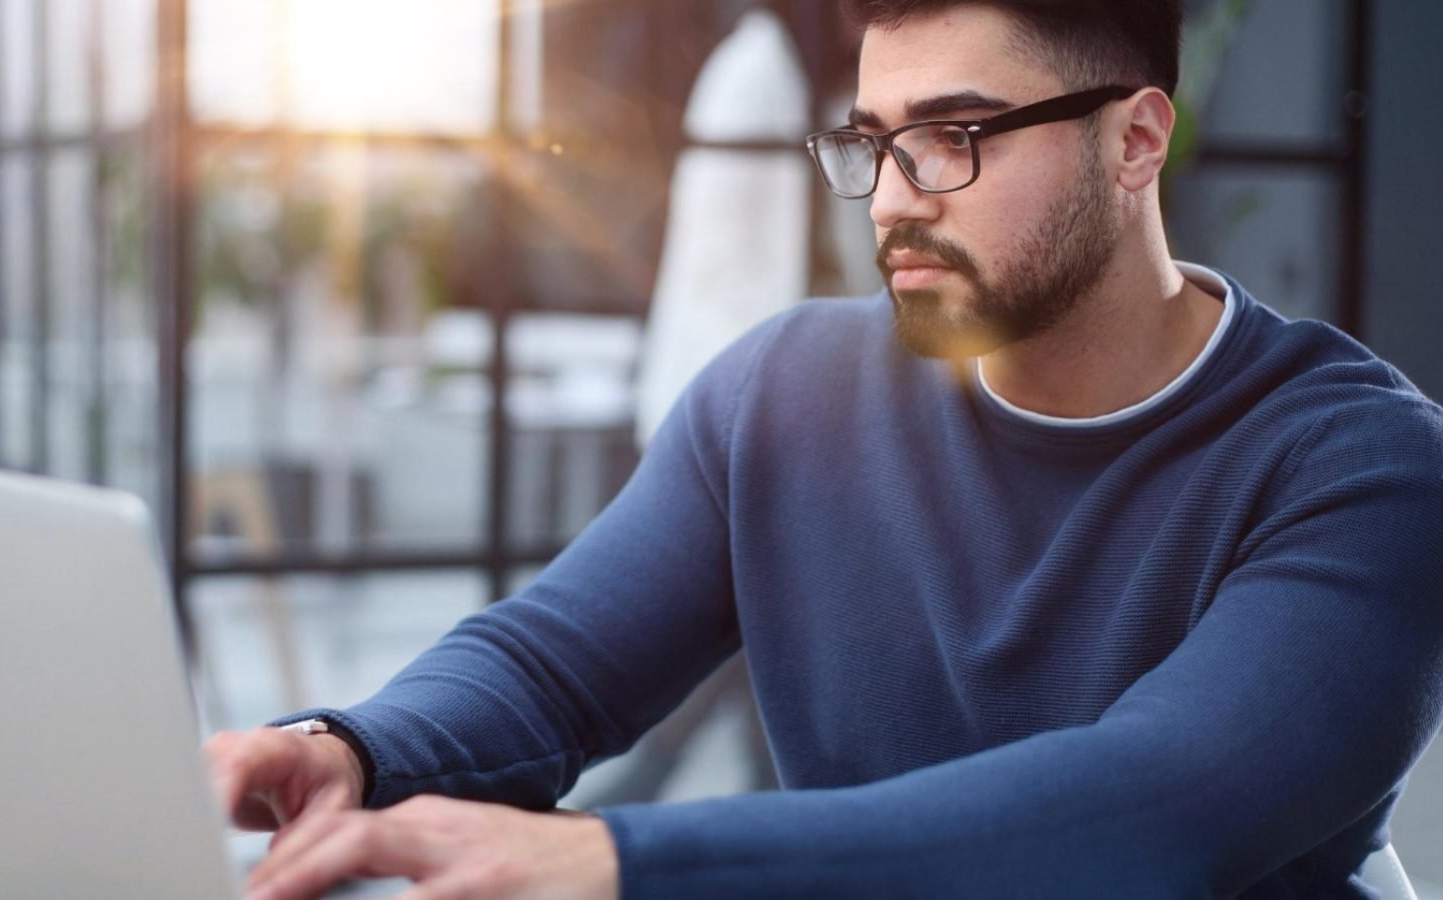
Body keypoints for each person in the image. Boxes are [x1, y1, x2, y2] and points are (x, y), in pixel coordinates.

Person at [206, 2, 1443, 897]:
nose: (896, 197)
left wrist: (612, 863)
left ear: (1133, 142)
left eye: (955, 136)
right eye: (872, 142)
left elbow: (1151, 813)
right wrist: (351, 750)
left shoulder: (1363, 468)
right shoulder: (785, 391)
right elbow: (550, 666)